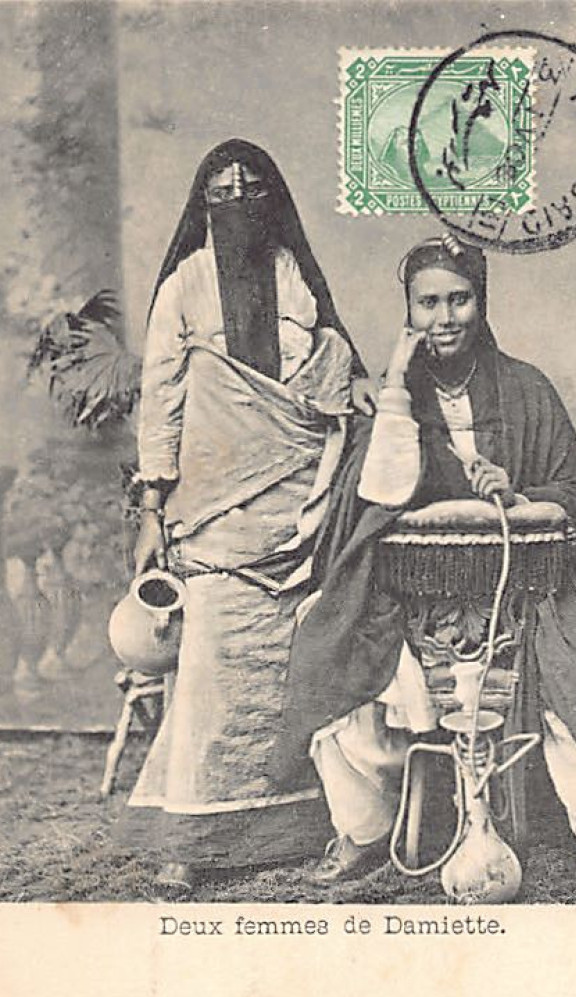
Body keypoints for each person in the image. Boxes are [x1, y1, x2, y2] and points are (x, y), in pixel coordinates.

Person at [277, 235, 576, 904]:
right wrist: (395, 382)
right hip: (404, 593)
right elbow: (376, 495)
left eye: (459, 300)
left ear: (481, 306)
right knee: (331, 649)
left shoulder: (525, 387)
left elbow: (574, 492)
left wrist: (518, 494)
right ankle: (361, 832)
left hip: (525, 589)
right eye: (427, 303)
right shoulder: (390, 400)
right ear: (408, 313)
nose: (443, 317)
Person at [124, 139, 374, 892]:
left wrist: (353, 382)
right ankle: (190, 836)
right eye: (222, 192)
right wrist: (150, 509)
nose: (237, 203)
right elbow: (161, 401)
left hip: (299, 501)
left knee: (292, 665)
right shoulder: (184, 287)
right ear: (202, 205)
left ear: (275, 202)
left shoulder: (294, 277)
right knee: (211, 671)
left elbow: (329, 364)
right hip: (216, 509)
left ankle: (296, 823)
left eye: (253, 190)